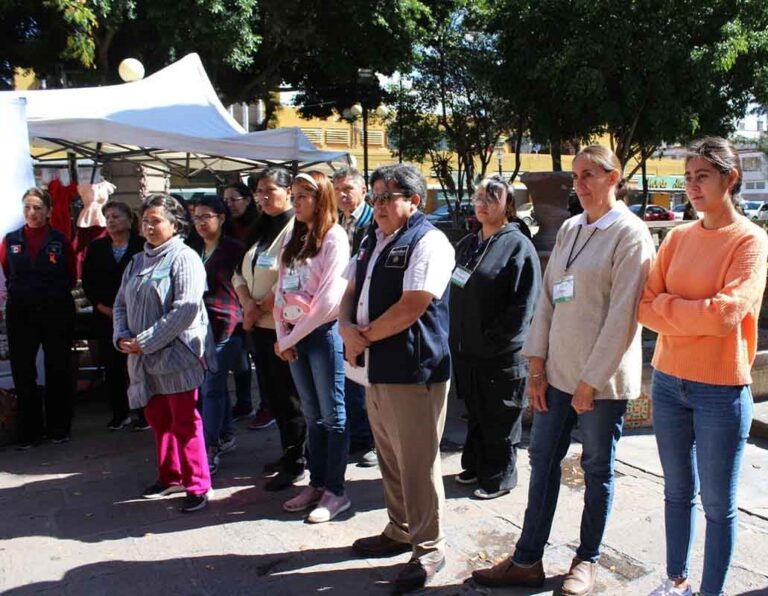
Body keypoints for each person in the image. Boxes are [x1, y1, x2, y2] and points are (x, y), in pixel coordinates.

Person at [472, 146, 655, 595]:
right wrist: (536, 367)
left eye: (590, 174)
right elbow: (550, 301)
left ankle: (586, 559)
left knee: (596, 469)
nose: (581, 183)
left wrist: (590, 381)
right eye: (576, 176)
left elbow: (623, 317)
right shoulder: (572, 228)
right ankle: (527, 557)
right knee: (543, 462)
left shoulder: (630, 233)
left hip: (603, 381)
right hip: (556, 375)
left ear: (614, 178)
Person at [638, 137, 768, 596]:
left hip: (720, 388)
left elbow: (726, 315)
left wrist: (671, 309)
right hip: (670, 382)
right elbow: (644, 307)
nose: (692, 186)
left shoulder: (751, 240)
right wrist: (690, 311)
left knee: (717, 504)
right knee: (675, 492)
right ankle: (675, 581)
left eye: (702, 176)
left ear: (730, 179)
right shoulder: (676, 237)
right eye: (688, 177)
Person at [340, 163, 455, 593]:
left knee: (418, 464)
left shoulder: (430, 241)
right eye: (376, 196)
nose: (379, 204)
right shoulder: (372, 239)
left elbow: (414, 304)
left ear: (415, 200)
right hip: (374, 369)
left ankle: (429, 548)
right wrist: (347, 330)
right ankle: (400, 527)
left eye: (389, 196)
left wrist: (360, 337)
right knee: (389, 457)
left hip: (413, 371)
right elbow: (348, 291)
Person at [113, 194, 214, 513]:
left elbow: (185, 308)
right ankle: (170, 475)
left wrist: (146, 340)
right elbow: (120, 304)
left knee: (184, 421)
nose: (148, 226)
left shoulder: (185, 258)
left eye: (156, 220)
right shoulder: (136, 261)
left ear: (175, 224)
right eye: (145, 221)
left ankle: (198, 484)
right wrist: (121, 337)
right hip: (141, 357)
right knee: (157, 418)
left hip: (177, 356)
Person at [450, 175, 541, 500]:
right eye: (478, 196)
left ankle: (498, 477)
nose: (483, 202)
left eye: (492, 196)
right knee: (475, 414)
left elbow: (523, 306)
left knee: (500, 417)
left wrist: (494, 341)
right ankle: (475, 465)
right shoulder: (469, 244)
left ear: (509, 205)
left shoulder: (518, 246)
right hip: (467, 353)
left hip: (500, 355)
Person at [274, 171, 350, 523]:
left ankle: (336, 491)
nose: (297, 200)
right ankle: (317, 483)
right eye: (295, 193)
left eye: (305, 194)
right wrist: (282, 333)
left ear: (322, 198)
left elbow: (328, 301)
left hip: (320, 335)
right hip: (293, 335)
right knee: (312, 414)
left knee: (333, 415)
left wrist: (289, 339)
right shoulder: (293, 235)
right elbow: (280, 288)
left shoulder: (334, 237)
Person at [232, 167, 307, 491]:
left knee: (290, 397)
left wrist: (257, 306)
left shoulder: (298, 227)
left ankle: (299, 461)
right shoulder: (259, 227)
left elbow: (294, 279)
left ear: (288, 190)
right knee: (273, 395)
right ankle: (287, 451)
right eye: (259, 191)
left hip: (283, 325)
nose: (263, 196)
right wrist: (248, 301)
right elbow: (240, 272)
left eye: (269, 190)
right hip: (257, 325)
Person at [0, 187, 77, 448]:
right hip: (21, 312)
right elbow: (7, 271)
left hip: (56, 310)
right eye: (27, 208)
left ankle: (58, 427)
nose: (32, 213)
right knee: (23, 371)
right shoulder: (10, 240)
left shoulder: (60, 240)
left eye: (37, 208)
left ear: (48, 212)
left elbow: (70, 274)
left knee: (58, 368)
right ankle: (29, 431)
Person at [190, 196, 245, 475]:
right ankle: (225, 434)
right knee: (215, 385)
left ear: (221, 218)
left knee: (210, 387)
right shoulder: (192, 248)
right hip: (198, 326)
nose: (200, 222)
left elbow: (244, 285)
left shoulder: (234, 249)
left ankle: (209, 447)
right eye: (196, 217)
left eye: (206, 216)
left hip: (227, 324)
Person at [81, 201, 145, 431]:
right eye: (107, 216)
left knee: (138, 365)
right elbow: (88, 280)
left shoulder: (142, 246)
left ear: (129, 220)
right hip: (105, 315)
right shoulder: (97, 248)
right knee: (113, 366)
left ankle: (143, 413)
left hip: (138, 315)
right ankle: (120, 412)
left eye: (116, 216)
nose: (111, 220)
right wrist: (101, 306)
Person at [331, 167, 377, 468]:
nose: (343, 195)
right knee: (349, 374)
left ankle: (373, 440)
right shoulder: (335, 222)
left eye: (348, 189)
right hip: (340, 305)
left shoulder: (374, 222)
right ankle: (359, 437)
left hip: (367, 306)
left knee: (368, 378)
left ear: (363, 190)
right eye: (338, 190)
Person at [222, 183, 263, 425]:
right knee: (240, 357)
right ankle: (244, 402)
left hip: (256, 299)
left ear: (248, 200)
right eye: (225, 200)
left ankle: (265, 406)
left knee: (258, 355)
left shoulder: (258, 226)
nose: (229, 204)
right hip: (233, 298)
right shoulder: (226, 228)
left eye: (234, 199)